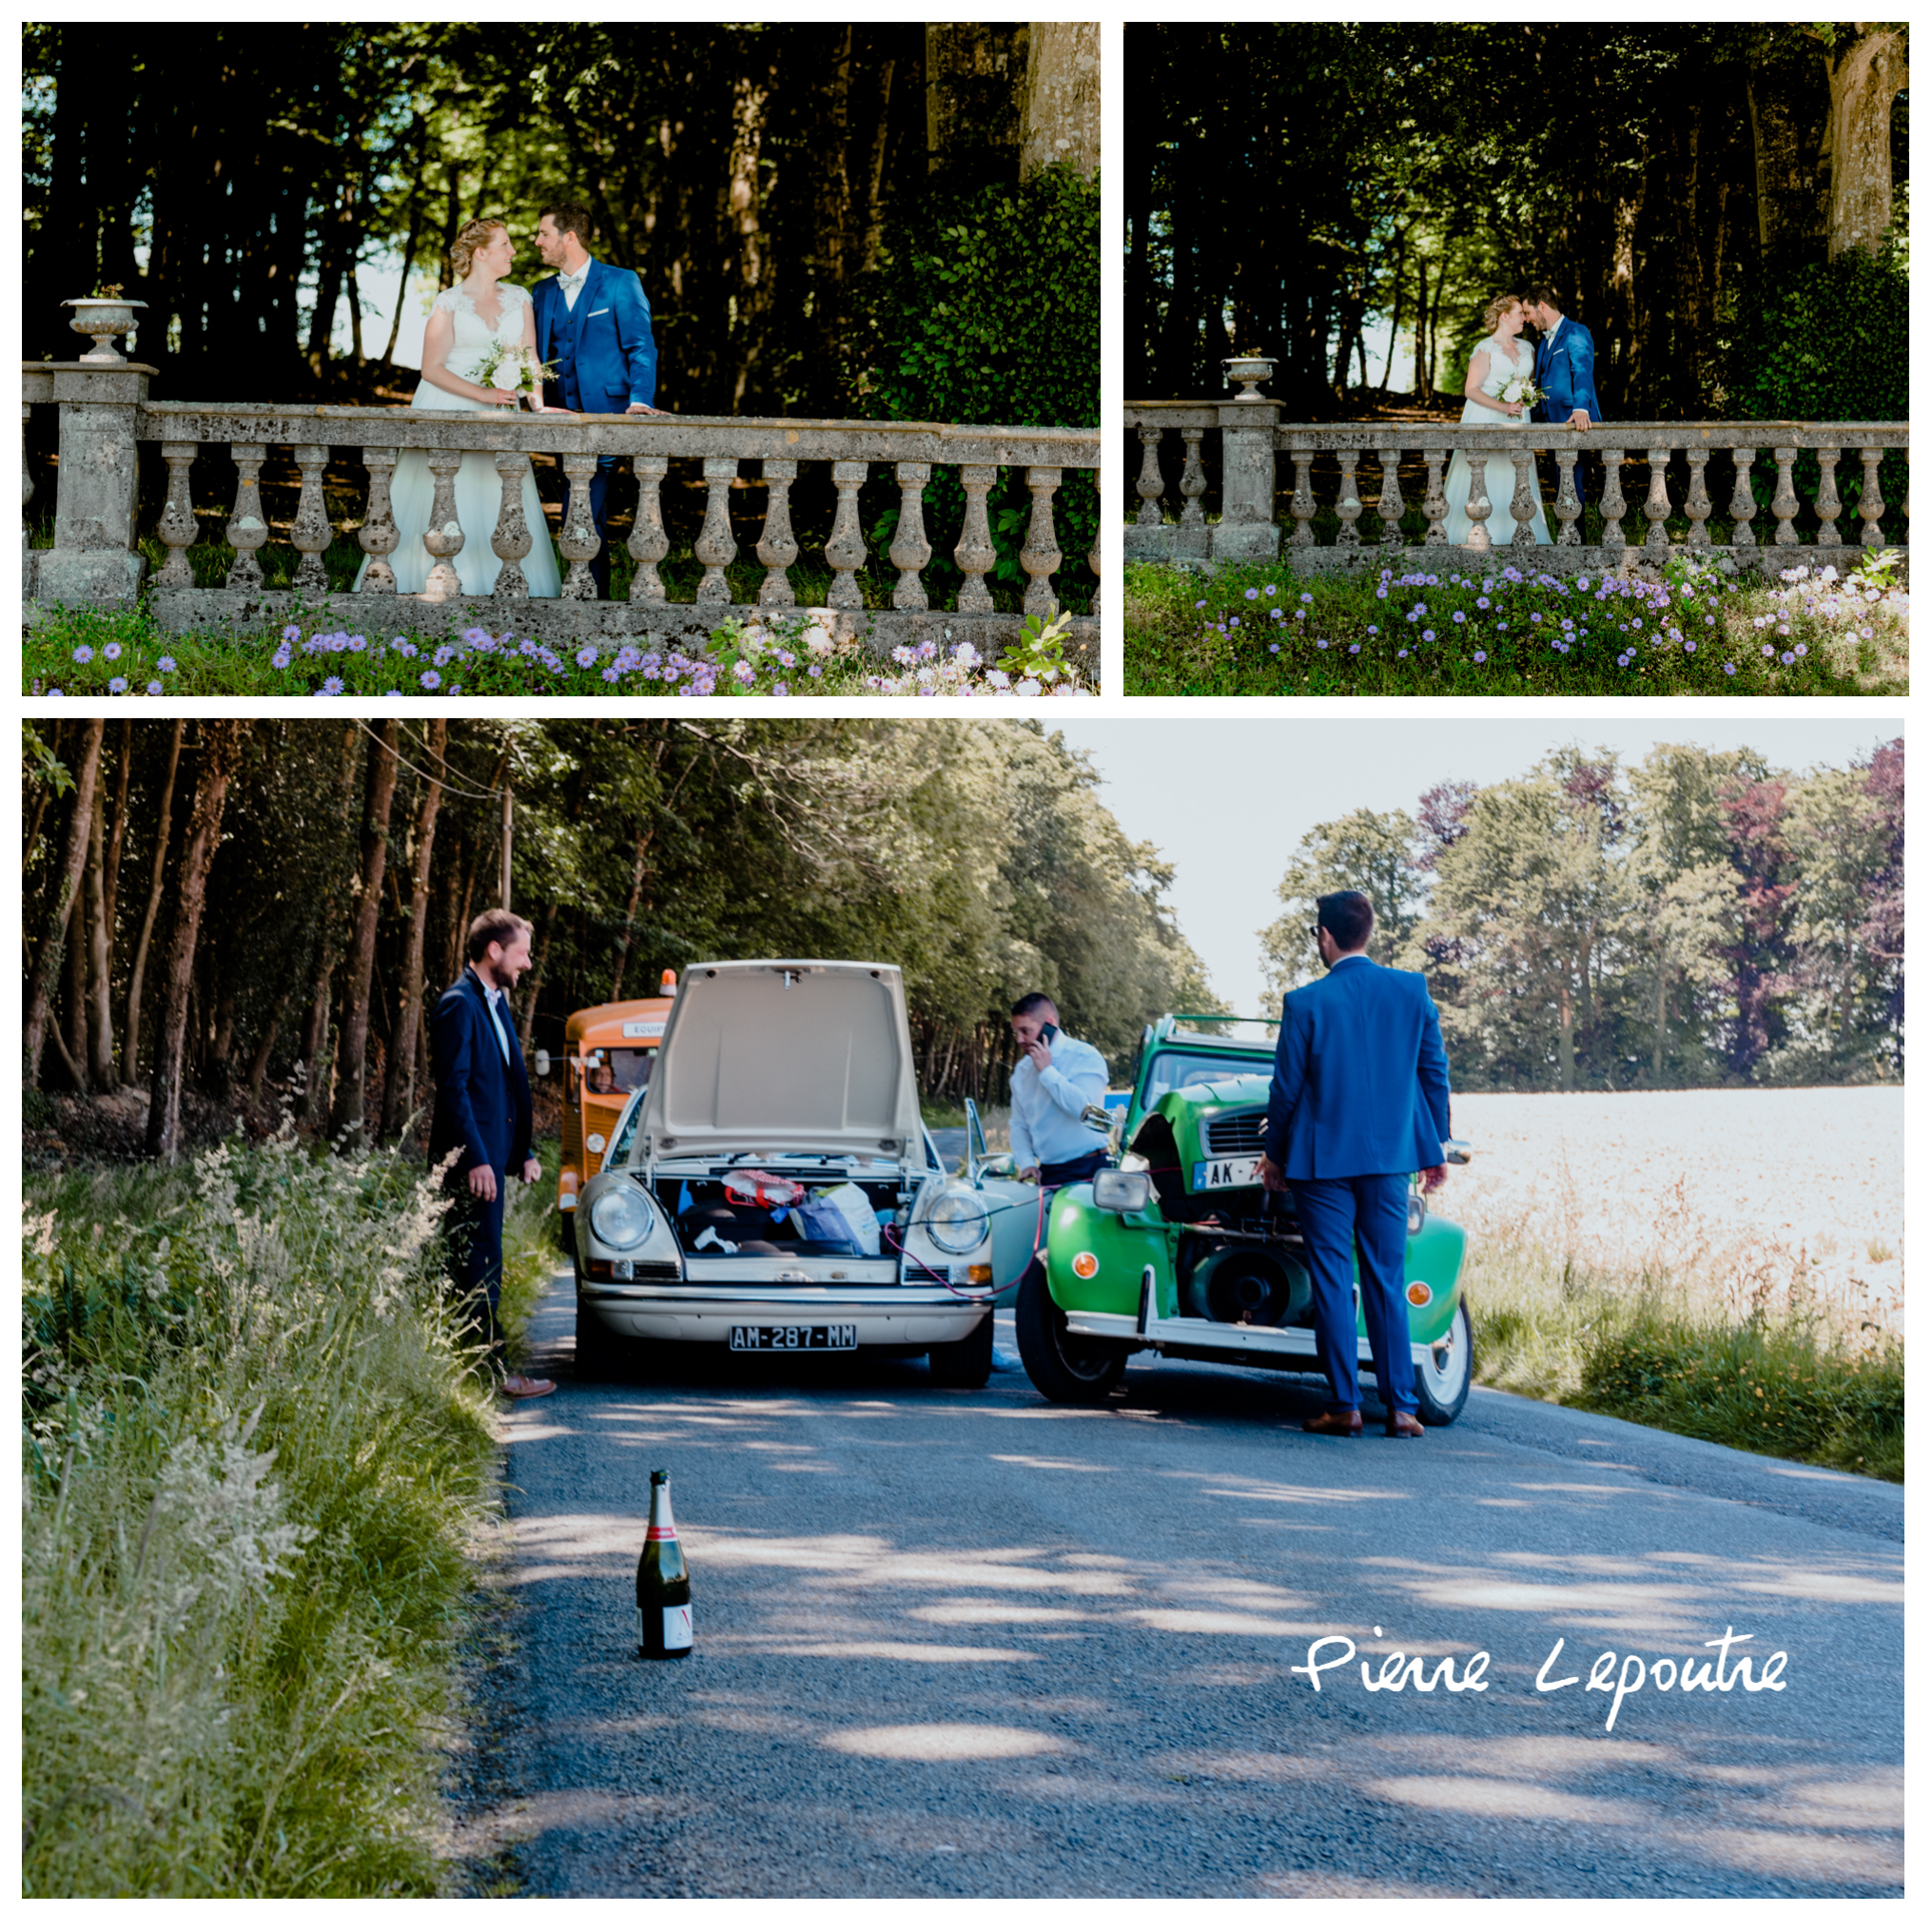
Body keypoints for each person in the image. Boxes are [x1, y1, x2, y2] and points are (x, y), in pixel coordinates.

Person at [1255, 891, 1452, 1440]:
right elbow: (1434, 1072)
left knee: (1334, 1280)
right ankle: (1403, 1409)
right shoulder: (1412, 990)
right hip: (1392, 1160)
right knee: (1387, 1278)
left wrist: (1274, 1156)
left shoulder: (1305, 1002)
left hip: (1322, 1162)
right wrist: (1435, 1149)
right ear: (1367, 932)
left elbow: (1286, 1089)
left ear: (1324, 935)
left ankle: (1344, 1406)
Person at [354, 217, 564, 596]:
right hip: (449, 404)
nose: (514, 250)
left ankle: (500, 587)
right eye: (505, 244)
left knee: (497, 493)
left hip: (502, 411)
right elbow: (431, 369)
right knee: (441, 494)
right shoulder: (448, 302)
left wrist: (537, 403)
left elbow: (530, 355)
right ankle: (423, 584)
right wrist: (483, 395)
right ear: (481, 253)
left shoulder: (520, 297)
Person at [429, 908, 553, 1399]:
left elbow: (505, 1087)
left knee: (485, 1265)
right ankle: (492, 1376)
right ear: (494, 951)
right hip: (470, 1165)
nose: (526, 964)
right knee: (476, 1268)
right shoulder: (458, 1004)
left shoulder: (497, 1004)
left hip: (494, 1162)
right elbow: (454, 1090)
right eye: (521, 954)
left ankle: (476, 1369)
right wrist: (479, 1159)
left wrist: (521, 1152)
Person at [531, 200, 663, 598]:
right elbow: (529, 354)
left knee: (580, 504)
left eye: (543, 234)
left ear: (569, 237)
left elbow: (641, 347)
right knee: (589, 509)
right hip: (558, 418)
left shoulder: (621, 282)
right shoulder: (540, 292)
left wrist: (640, 399)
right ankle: (597, 600)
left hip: (607, 415)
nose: (536, 242)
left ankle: (583, 599)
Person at [1440, 294, 1551, 548]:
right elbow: (1471, 389)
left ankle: (1518, 532)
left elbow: (1529, 384)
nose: (1525, 318)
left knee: (1515, 471)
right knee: (1485, 471)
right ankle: (1474, 533)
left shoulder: (1528, 348)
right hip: (1486, 414)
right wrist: (1504, 405)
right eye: (1520, 314)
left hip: (1518, 418)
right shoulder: (1484, 348)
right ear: (1504, 316)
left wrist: (1525, 397)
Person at [1008, 993, 1112, 1189]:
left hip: (1088, 1170)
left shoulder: (1085, 1057)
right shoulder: (1022, 1071)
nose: (1019, 1039)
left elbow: (1087, 1112)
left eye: (1025, 1031)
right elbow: (1019, 1124)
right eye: (1016, 1031)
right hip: (1047, 1173)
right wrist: (1027, 1163)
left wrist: (1047, 1072)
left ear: (1049, 1023)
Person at [1524, 285, 1603, 516]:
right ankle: (1571, 540)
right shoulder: (1542, 343)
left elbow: (1582, 372)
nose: (1527, 319)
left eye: (1528, 312)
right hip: (1550, 425)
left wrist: (1581, 409)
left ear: (1542, 306)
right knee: (1561, 486)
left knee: (1572, 487)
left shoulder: (1576, 332)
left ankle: (1575, 546)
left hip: (1572, 422)